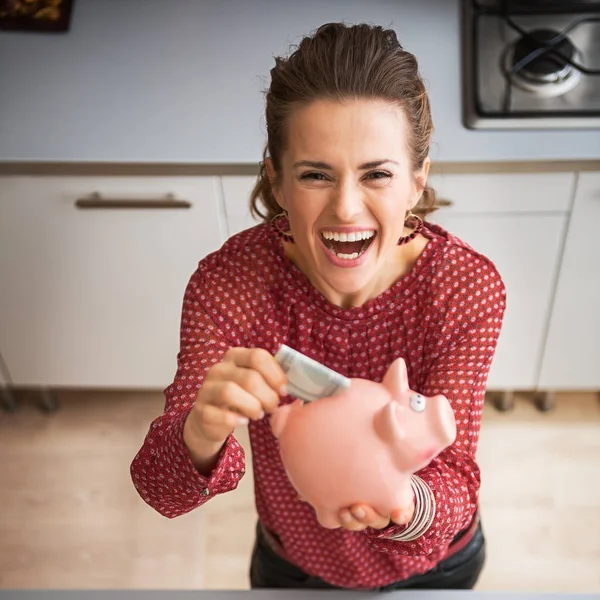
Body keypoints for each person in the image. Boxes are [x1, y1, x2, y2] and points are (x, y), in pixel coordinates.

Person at [130, 22, 506, 591]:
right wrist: (203, 428)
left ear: (416, 181)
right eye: (315, 175)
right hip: (293, 566)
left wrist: (403, 501)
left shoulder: (462, 288)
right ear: (277, 181)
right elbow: (162, 492)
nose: (346, 209)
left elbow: (455, 480)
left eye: (377, 174)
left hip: (434, 567)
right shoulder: (233, 285)